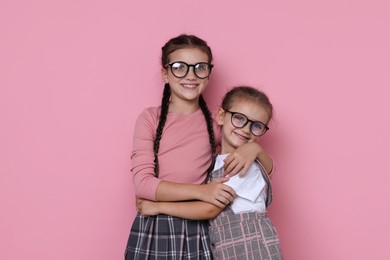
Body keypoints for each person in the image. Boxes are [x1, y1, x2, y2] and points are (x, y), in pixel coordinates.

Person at [124, 34, 274, 259]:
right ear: (165, 73)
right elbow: (143, 185)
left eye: (200, 68)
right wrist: (202, 192)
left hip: (198, 227)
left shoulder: (217, 123)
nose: (190, 75)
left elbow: (263, 168)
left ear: (208, 74)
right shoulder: (149, 119)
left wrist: (255, 149)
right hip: (155, 226)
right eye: (179, 67)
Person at [138, 86, 283, 259]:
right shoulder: (216, 161)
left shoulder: (243, 165)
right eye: (239, 118)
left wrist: (157, 206)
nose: (245, 129)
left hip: (252, 249)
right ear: (221, 116)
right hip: (230, 249)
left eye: (256, 126)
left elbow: (210, 210)